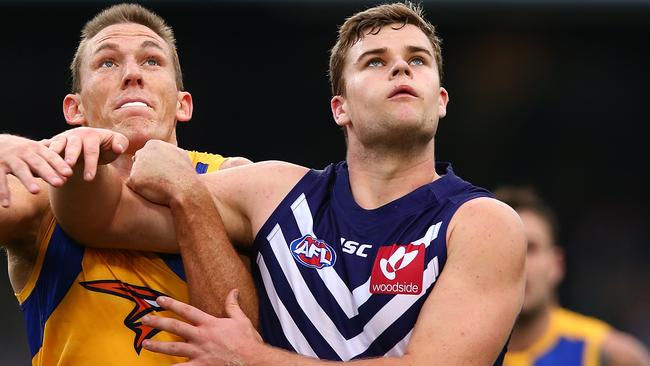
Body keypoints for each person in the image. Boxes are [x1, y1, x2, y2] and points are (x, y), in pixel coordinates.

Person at [51, 2, 527, 365]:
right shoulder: (275, 193)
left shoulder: (481, 224)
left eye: (418, 60)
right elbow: (102, 218)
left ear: (440, 99)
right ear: (340, 108)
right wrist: (77, 150)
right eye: (375, 62)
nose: (401, 68)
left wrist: (256, 358)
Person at [0, 3, 256, 365]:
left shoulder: (233, 176)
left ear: (183, 104)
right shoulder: (43, 192)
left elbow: (245, 341)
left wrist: (188, 191)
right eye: (108, 62)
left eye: (152, 61)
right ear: (75, 109)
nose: (132, 74)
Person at [493, 186, 650, 366]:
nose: (520, 263)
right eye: (506, 248)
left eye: (532, 248)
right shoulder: (459, 353)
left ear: (556, 265)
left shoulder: (612, 356)